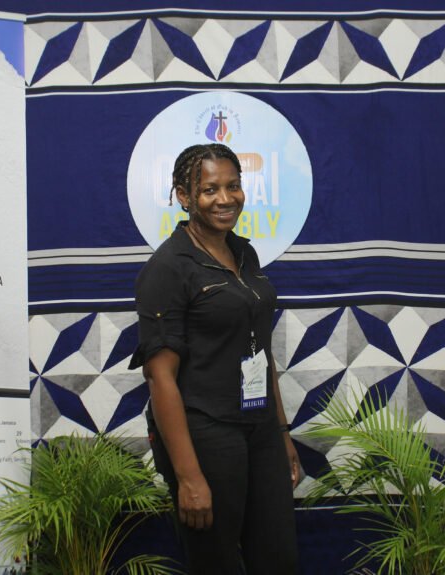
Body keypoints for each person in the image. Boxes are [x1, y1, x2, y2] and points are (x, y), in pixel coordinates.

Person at [129, 143, 299, 574]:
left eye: (233, 186)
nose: (225, 199)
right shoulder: (168, 268)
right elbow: (160, 379)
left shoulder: (245, 253)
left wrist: (281, 435)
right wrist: (189, 477)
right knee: (216, 563)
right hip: (204, 432)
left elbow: (260, 349)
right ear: (184, 197)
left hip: (259, 428)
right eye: (209, 190)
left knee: (277, 558)